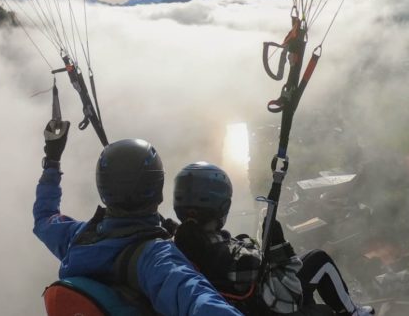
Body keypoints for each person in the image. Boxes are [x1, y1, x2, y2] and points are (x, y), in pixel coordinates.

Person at [34, 120, 244, 316]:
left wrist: (52, 161)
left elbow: (45, 217)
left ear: (103, 188)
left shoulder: (78, 238)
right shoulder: (156, 258)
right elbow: (199, 301)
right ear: (159, 190)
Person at [171, 162, 374, 316]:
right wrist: (280, 249)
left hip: (237, 302)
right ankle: (352, 312)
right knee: (319, 260)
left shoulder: (175, 246)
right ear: (222, 205)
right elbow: (288, 298)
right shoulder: (236, 260)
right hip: (265, 306)